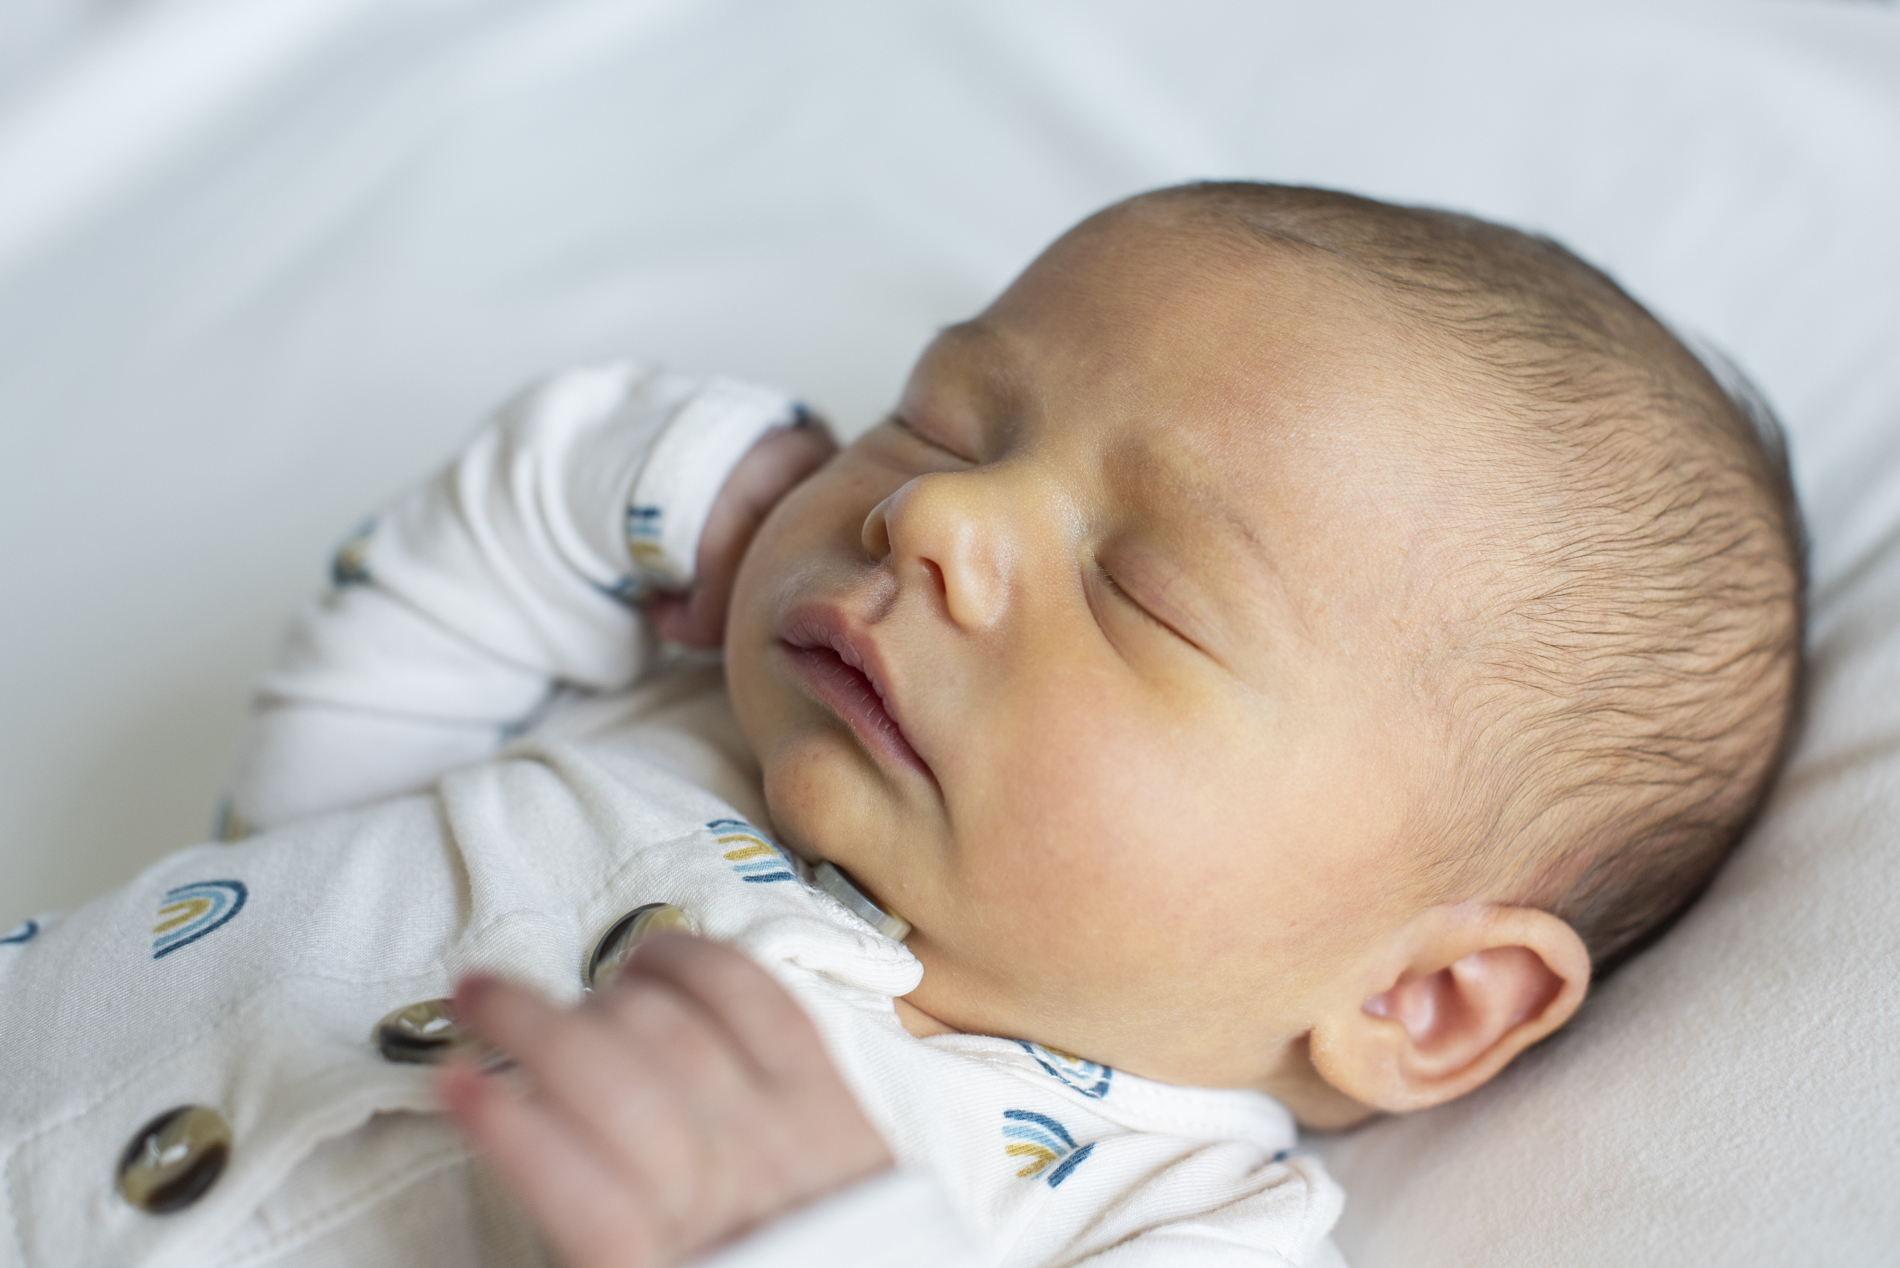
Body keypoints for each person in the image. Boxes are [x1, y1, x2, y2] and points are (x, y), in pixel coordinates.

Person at [0, 183, 1803, 1268]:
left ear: (1420, 997)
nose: (937, 519)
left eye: (1146, 591)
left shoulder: (1167, 1222)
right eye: (940, 423)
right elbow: (318, 768)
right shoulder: (676, 721)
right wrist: (672, 482)